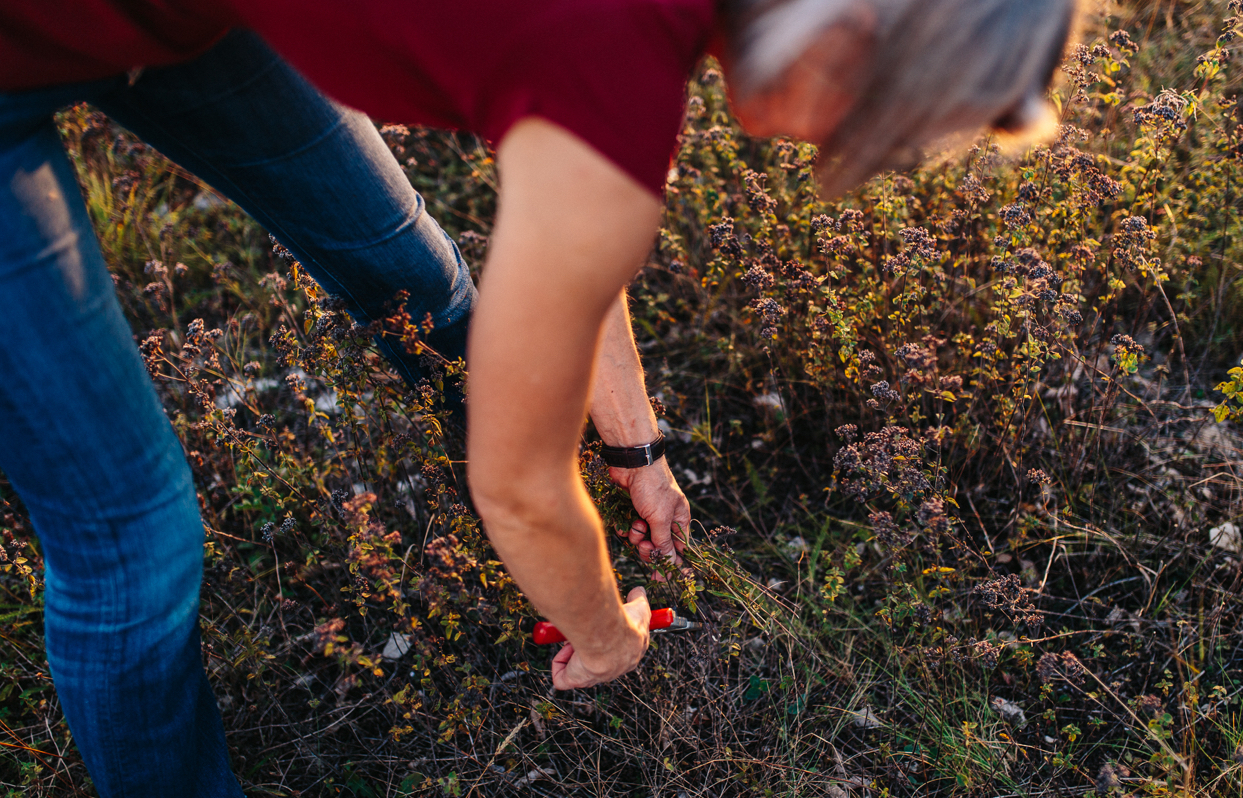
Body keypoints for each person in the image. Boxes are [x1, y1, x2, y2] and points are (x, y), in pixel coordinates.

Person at [0, 0, 1075, 795]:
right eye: (872, 123)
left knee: (419, 286)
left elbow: (575, 223)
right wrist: (606, 633)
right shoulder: (604, 70)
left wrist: (632, 447)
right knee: (131, 544)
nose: (833, 152)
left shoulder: (617, 62)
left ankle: (537, 566)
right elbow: (515, 483)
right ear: (850, 28)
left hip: (187, 24)